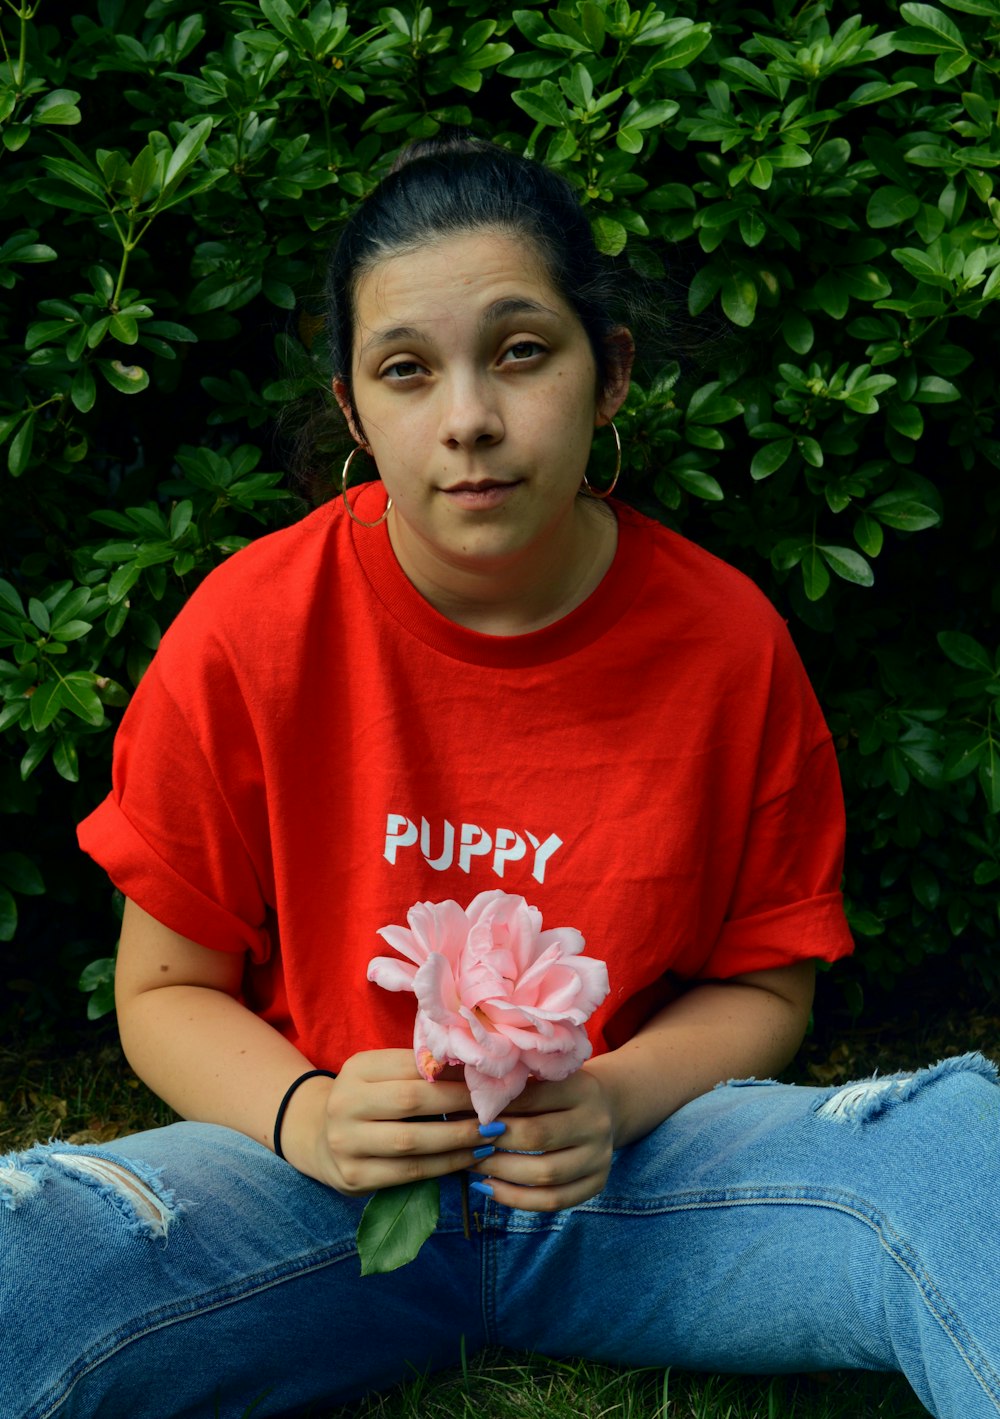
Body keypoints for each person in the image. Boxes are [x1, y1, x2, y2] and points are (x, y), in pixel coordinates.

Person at [2, 135, 997, 1419]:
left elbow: (765, 982)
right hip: (312, 1200)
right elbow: (162, 987)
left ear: (610, 373)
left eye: (520, 352)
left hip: (638, 1189)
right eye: (406, 372)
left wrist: (613, 1101)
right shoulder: (251, 629)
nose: (467, 417)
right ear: (356, 414)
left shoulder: (727, 641)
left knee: (959, 1151)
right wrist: (305, 1113)